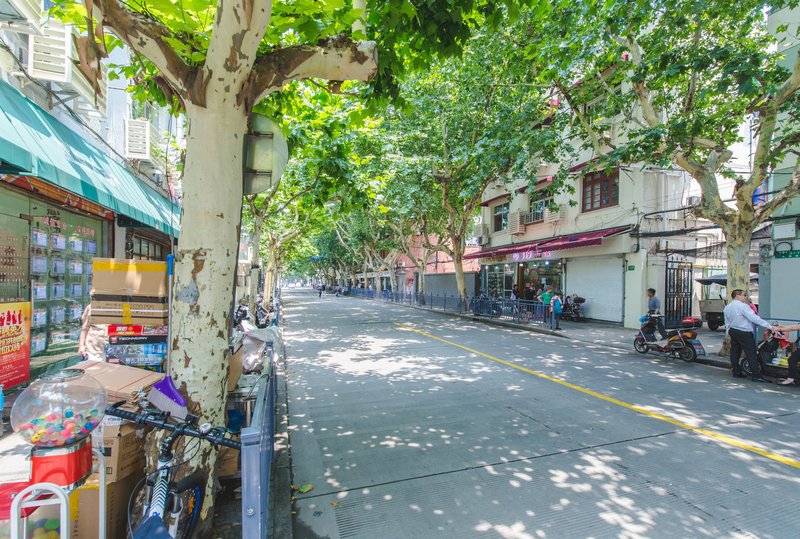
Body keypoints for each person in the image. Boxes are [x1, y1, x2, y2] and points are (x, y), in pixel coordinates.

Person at [723, 289, 779, 383]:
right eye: (744, 295)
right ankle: (756, 375)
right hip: (744, 331)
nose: (746, 297)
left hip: (733, 330)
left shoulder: (727, 307)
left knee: (735, 351)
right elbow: (754, 318)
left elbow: (727, 322)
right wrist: (770, 326)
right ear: (737, 296)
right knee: (751, 352)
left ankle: (736, 372)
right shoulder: (743, 306)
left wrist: (728, 332)